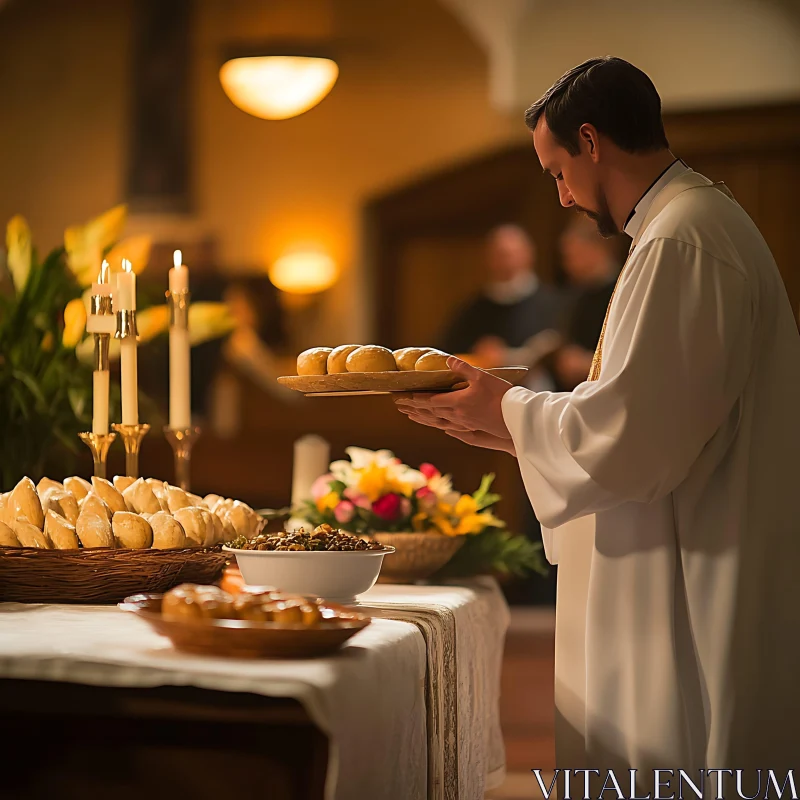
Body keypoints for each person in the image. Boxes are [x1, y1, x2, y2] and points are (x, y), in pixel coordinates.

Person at [395, 56, 800, 790]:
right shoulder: (682, 228)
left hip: (692, 572)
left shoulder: (683, 240)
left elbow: (635, 439)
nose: (562, 197)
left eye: (557, 172)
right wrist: (506, 428)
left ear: (591, 141)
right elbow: (640, 416)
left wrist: (507, 408)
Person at [437, 224, 563, 375]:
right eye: (499, 255)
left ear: (529, 255)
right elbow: (448, 352)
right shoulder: (472, 310)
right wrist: (478, 353)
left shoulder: (555, 303)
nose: (506, 262)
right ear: (488, 259)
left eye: (512, 254)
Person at [547, 217, 619, 391]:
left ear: (596, 249)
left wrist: (588, 363)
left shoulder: (622, 290)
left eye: (572, 256)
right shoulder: (575, 294)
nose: (566, 265)